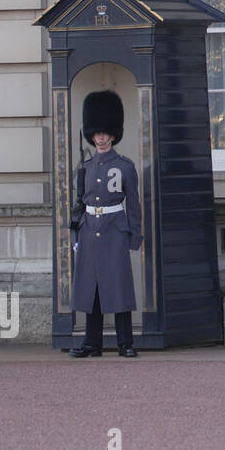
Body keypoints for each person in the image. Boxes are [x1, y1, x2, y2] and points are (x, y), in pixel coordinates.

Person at [69, 90, 142, 359]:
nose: (100, 137)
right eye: (96, 132)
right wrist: (76, 234)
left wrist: (135, 235)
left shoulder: (124, 166)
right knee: (92, 287)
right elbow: (79, 203)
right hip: (90, 229)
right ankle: (92, 342)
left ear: (113, 134)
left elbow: (133, 203)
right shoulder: (85, 166)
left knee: (119, 285)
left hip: (114, 228)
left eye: (105, 132)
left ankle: (125, 342)